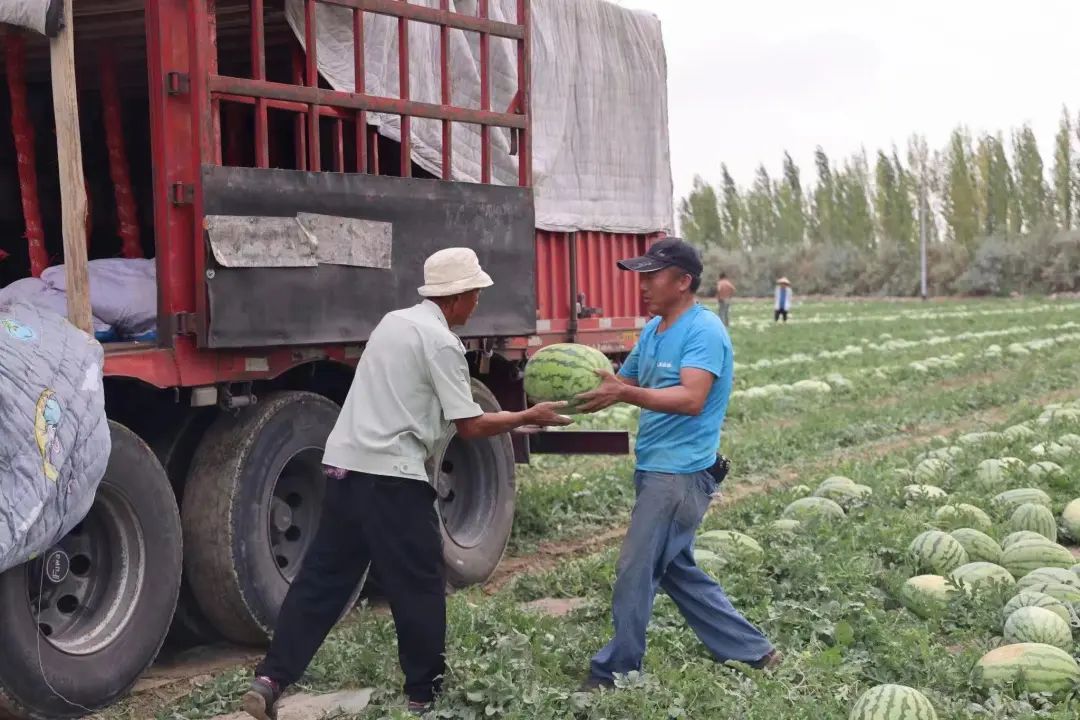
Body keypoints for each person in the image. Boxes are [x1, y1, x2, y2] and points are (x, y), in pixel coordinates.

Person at [241, 248, 573, 720]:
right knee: (418, 585)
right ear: (457, 297)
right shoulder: (441, 342)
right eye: (475, 293)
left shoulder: (393, 323)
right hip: (392, 478)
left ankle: (270, 679)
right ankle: (424, 697)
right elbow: (471, 425)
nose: (477, 302)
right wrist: (528, 415)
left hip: (344, 467)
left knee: (321, 583)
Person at [574, 237, 779, 691]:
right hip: (656, 468)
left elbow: (691, 398)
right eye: (640, 276)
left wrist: (625, 393)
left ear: (683, 281)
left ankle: (615, 671)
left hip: (681, 474)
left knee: (635, 569)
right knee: (675, 568)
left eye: (652, 276)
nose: (642, 285)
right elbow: (618, 384)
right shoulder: (654, 330)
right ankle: (753, 651)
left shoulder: (703, 331)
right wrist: (552, 406)